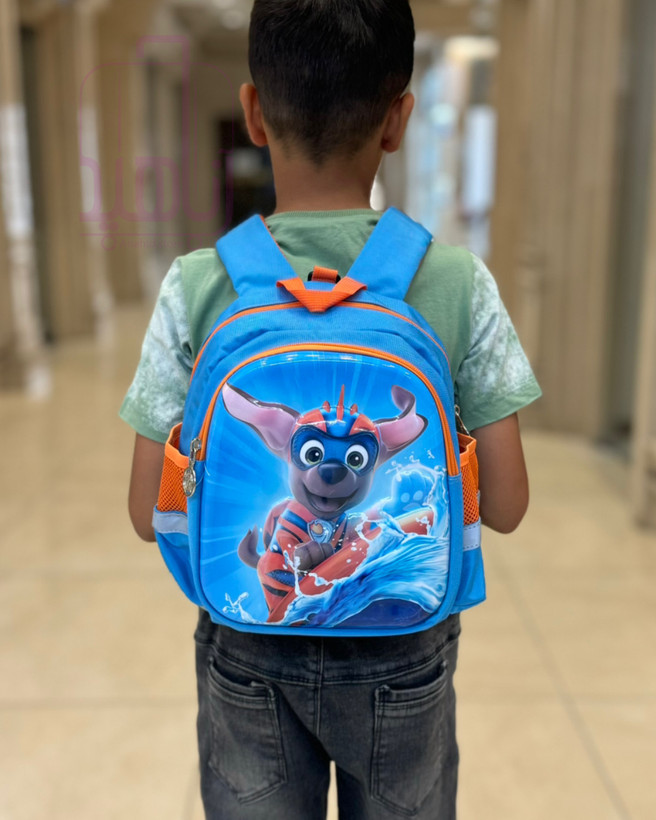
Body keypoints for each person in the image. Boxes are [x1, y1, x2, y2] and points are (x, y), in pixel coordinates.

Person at [120, 1, 542, 817]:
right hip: (403, 642)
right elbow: (508, 505)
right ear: (398, 120)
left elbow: (148, 514)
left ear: (253, 113)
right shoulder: (456, 281)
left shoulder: (198, 282)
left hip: (246, 640)